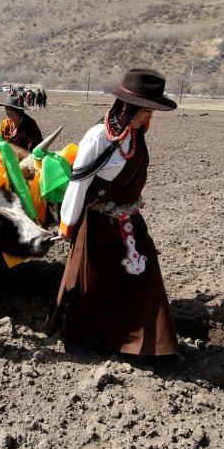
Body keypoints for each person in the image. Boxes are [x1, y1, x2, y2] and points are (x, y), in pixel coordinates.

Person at [48, 69, 178, 359]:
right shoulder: (99, 138)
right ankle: (77, 339)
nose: (149, 118)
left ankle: (153, 345)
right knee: (89, 281)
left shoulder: (135, 136)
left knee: (145, 275)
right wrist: (68, 226)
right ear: (128, 108)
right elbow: (78, 184)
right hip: (97, 223)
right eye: (145, 112)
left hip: (129, 220)